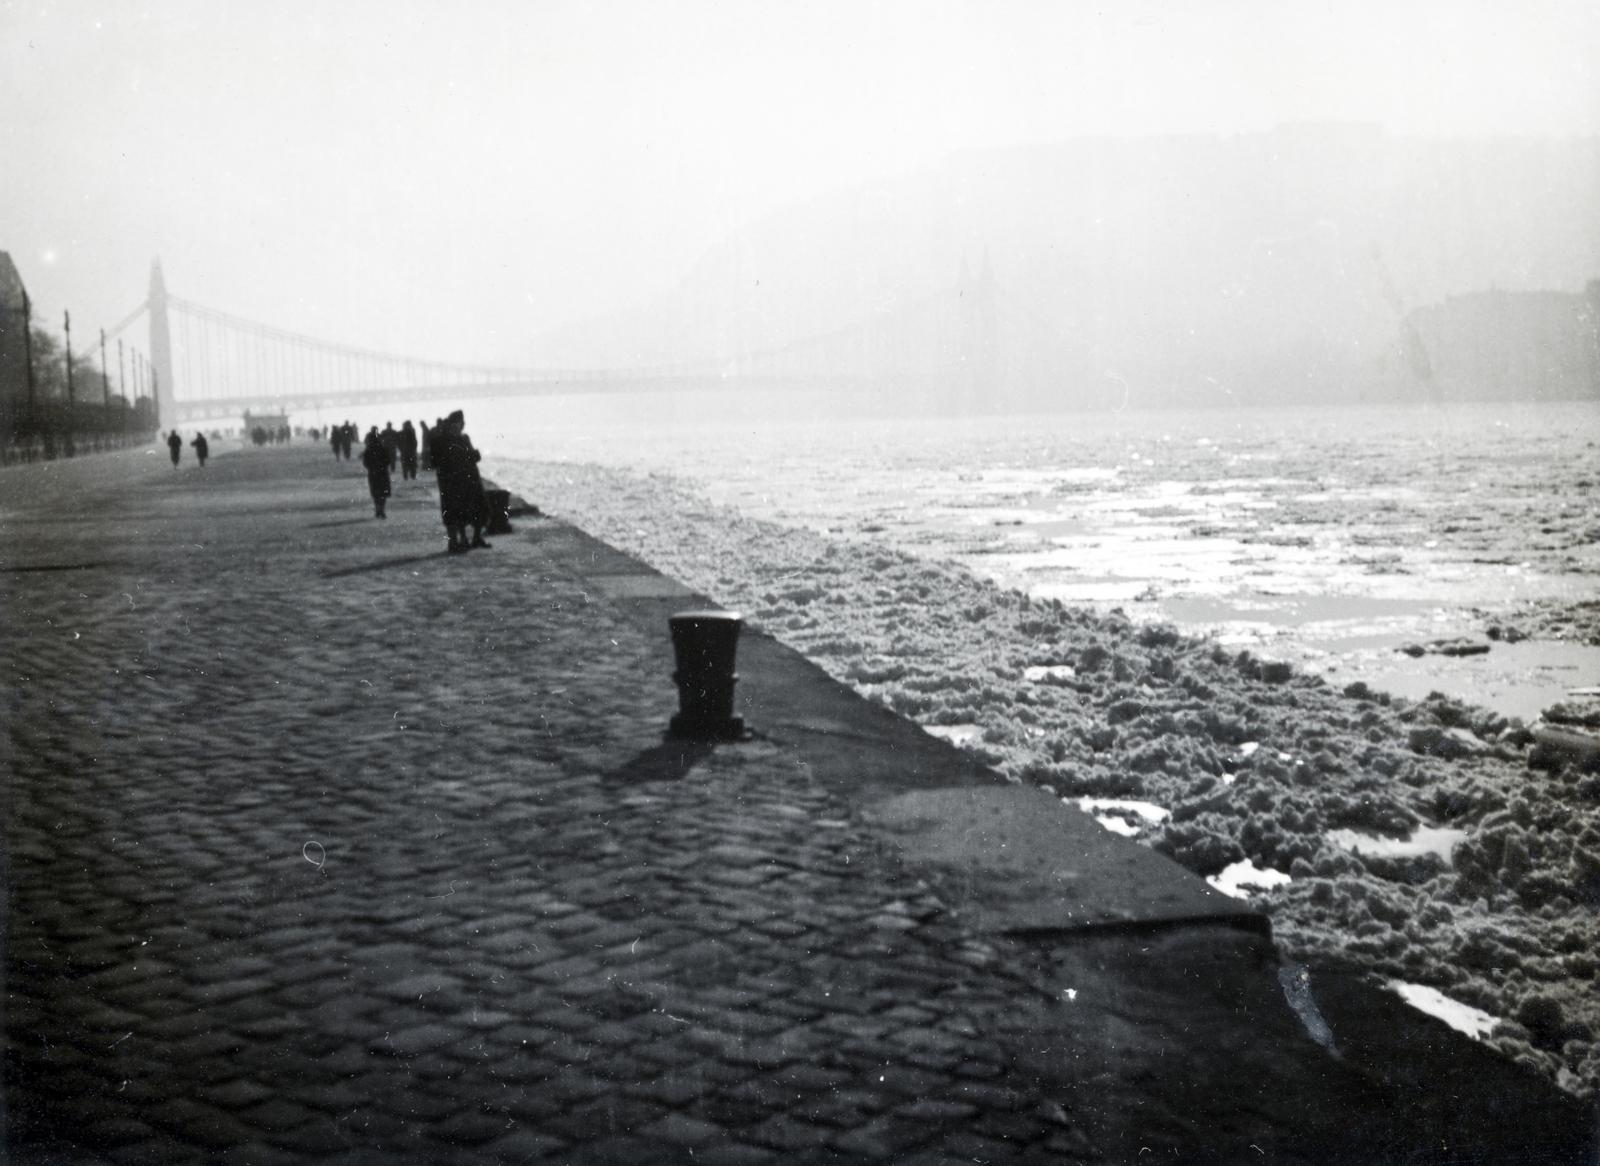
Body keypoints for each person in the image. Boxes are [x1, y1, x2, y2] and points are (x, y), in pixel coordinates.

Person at [432, 410, 490, 553]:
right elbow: (436, 462)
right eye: (459, 423)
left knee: (479, 508)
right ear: (452, 424)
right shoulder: (442, 441)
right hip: (452, 482)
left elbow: (469, 457)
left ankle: (473, 539)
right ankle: (456, 543)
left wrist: (471, 455)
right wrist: (472, 455)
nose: (461, 426)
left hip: (468, 480)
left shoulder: (462, 438)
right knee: (454, 513)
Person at [360, 428, 391, 519]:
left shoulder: (368, 450)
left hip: (373, 473)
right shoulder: (383, 449)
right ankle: (381, 510)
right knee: (383, 493)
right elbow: (388, 461)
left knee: (376, 493)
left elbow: (365, 463)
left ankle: (378, 510)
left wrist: (371, 467)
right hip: (383, 473)